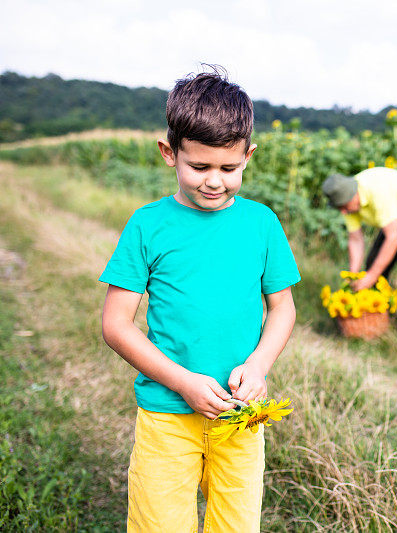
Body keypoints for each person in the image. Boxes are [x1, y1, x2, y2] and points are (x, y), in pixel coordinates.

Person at [99, 69, 300, 532]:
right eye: (200, 167)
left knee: (236, 523)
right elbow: (117, 324)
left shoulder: (262, 224)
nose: (215, 181)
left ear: (248, 156)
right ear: (170, 154)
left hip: (240, 416)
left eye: (230, 169)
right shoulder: (148, 225)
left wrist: (259, 365)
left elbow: (282, 308)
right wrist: (184, 382)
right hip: (168, 415)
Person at [322, 167, 397, 322]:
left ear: (353, 196)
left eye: (344, 207)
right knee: (373, 262)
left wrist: (371, 276)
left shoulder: (376, 191)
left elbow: (393, 239)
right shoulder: (348, 205)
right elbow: (355, 240)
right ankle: (379, 312)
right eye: (340, 209)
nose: (343, 212)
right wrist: (354, 275)